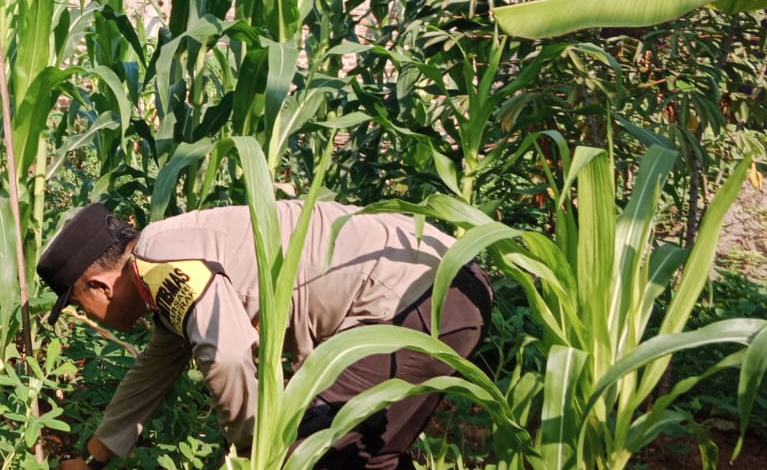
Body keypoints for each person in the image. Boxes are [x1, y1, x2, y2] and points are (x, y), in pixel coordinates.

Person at [36, 200, 492, 470]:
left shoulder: (161, 265)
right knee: (366, 456)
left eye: (78, 303)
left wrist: (255, 451)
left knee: (309, 455)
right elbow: (152, 372)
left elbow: (228, 355)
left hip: (416, 300)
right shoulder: (164, 260)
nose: (88, 315)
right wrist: (94, 459)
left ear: (100, 285)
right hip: (444, 284)